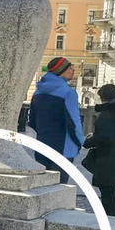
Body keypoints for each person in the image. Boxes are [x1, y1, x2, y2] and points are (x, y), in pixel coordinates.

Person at [81, 84, 115, 217]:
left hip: (108, 159)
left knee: (108, 196)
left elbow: (103, 137)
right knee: (110, 194)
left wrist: (87, 141)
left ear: (106, 98)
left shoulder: (109, 114)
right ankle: (111, 220)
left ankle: (110, 222)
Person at [28, 56, 84, 184]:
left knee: (41, 186)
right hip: (64, 148)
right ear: (60, 71)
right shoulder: (68, 93)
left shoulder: (38, 92)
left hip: (42, 146)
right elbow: (74, 123)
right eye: (70, 67)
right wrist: (80, 142)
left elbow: (32, 122)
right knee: (60, 188)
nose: (73, 70)